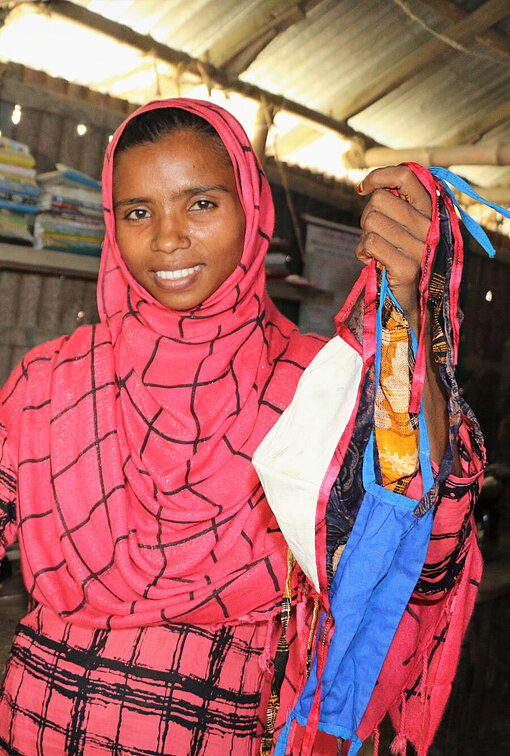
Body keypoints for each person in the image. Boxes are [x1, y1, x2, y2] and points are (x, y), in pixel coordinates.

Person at [0, 99, 483, 755]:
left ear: (252, 207)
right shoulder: (49, 380)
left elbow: (421, 552)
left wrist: (410, 316)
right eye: (138, 211)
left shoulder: (319, 384)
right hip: (37, 730)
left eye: (201, 204)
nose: (167, 237)